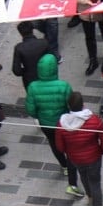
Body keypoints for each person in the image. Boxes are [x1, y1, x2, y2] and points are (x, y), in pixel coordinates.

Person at [25, 54, 78, 196]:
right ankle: (73, 166)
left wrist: (40, 116)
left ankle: (64, 166)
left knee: (54, 144)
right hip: (63, 123)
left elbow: (30, 109)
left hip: (46, 124)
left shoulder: (33, 87)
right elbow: (71, 105)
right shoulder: (64, 86)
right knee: (69, 145)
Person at [56, 91, 103, 206]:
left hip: (75, 159)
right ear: (83, 104)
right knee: (95, 182)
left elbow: (60, 146)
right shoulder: (94, 120)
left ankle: (89, 195)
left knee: (83, 176)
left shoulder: (62, 123)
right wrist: (102, 150)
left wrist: (69, 152)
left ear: (69, 106)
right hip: (94, 157)